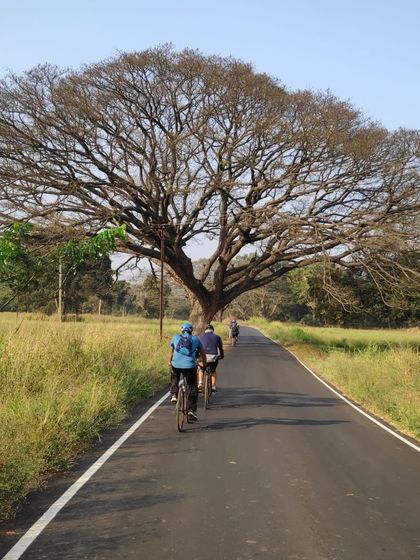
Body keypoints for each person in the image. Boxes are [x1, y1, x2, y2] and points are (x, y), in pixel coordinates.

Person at [169, 322, 207, 422]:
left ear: (182, 330)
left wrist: (170, 362)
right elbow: (202, 354)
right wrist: (204, 364)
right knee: (192, 387)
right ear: (191, 331)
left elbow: (172, 352)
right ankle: (191, 411)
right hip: (190, 366)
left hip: (176, 364)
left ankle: (174, 394)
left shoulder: (175, 337)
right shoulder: (196, 339)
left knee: (175, 376)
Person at [198, 324, 224, 393]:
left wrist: (197, 356)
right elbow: (220, 348)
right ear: (213, 330)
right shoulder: (217, 337)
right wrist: (222, 355)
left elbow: (197, 348)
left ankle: (200, 382)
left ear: (205, 330)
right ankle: (213, 386)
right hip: (213, 357)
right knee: (213, 371)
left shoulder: (200, 337)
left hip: (203, 357)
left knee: (201, 369)